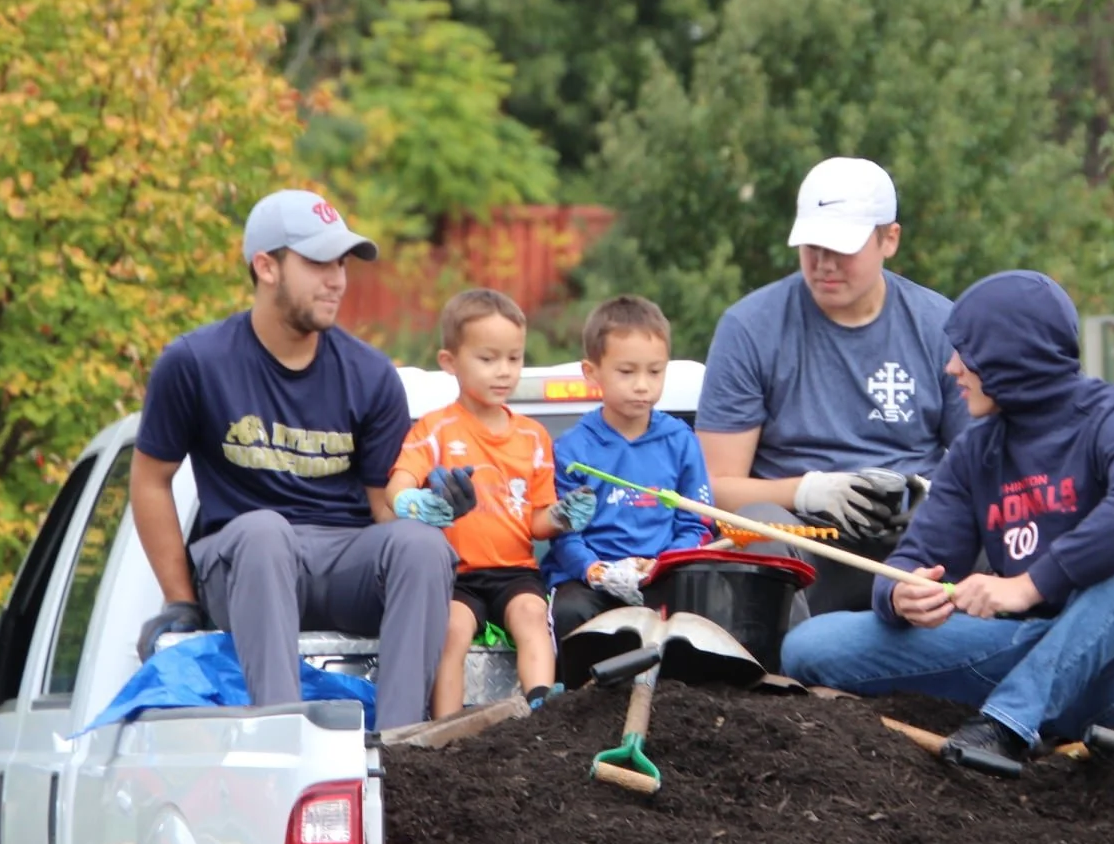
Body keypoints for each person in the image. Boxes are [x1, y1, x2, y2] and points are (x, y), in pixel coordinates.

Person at [779, 271, 1114, 769]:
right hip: (1025, 648)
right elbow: (918, 556)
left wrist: (1029, 586)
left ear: (1011, 356)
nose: (951, 368)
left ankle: (1006, 724)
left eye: (966, 352)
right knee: (810, 646)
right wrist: (899, 595)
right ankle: (1021, 709)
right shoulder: (975, 450)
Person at [129, 189, 454, 730]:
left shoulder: (371, 374)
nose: (337, 280)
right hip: (245, 564)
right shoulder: (195, 362)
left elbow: (384, 507)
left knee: (421, 546)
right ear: (267, 267)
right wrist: (179, 599)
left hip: (343, 559)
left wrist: (432, 505)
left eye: (342, 264)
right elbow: (150, 480)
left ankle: (399, 746)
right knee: (265, 532)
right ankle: (282, 733)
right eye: (319, 263)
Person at [695, 156, 969, 615]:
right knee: (757, 525)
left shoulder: (941, 324)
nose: (824, 264)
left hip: (916, 541)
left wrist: (928, 493)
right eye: (812, 246)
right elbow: (714, 490)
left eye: (842, 249)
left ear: (889, 239)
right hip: (803, 540)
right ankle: (794, 651)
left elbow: (985, 463)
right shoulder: (750, 328)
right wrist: (810, 491)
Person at [387, 289, 597, 717]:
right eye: (488, 359)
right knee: (451, 629)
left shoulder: (534, 436)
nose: (504, 371)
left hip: (515, 572)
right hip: (456, 573)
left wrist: (562, 516)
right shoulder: (436, 428)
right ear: (450, 362)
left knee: (533, 615)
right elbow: (399, 482)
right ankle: (446, 728)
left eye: (514, 358)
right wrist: (411, 501)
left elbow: (536, 523)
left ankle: (541, 715)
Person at [543, 295, 713, 637]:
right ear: (591, 372)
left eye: (655, 371)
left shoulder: (681, 441)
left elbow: (697, 522)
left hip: (663, 576)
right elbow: (563, 533)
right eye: (626, 372)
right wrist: (594, 569)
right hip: (590, 581)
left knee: (701, 611)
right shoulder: (571, 449)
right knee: (570, 611)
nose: (642, 385)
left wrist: (662, 564)